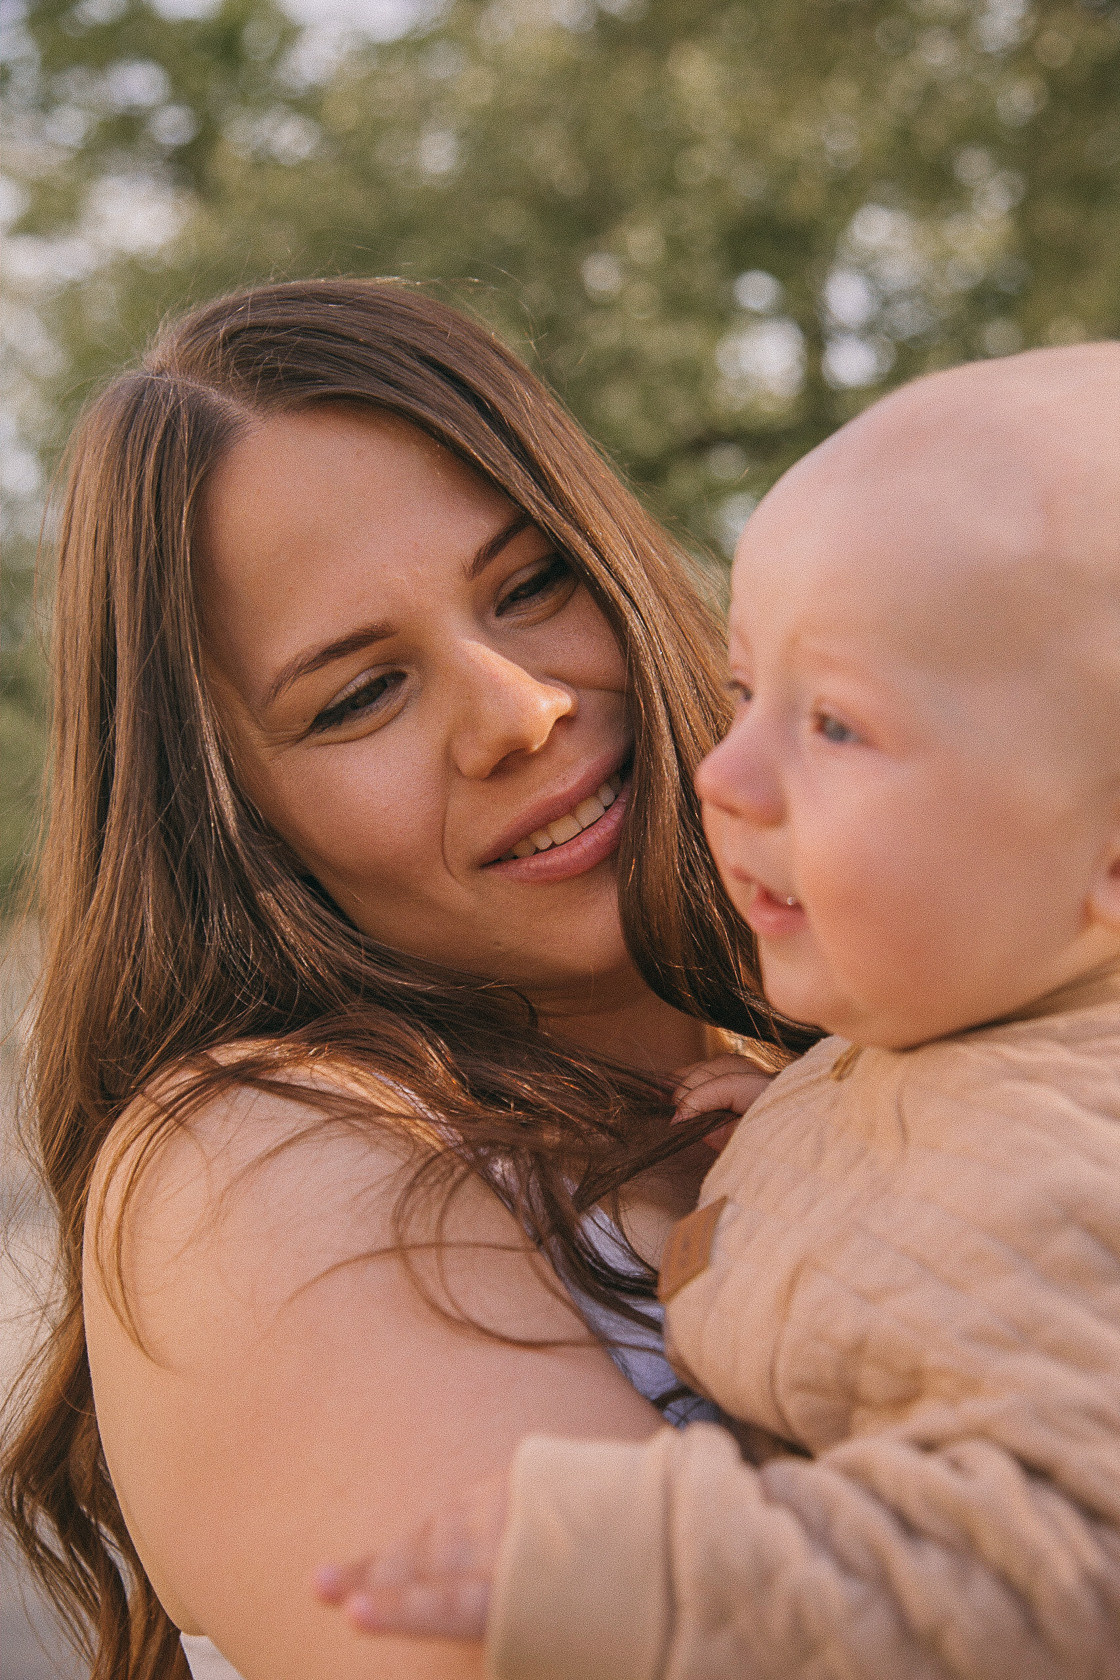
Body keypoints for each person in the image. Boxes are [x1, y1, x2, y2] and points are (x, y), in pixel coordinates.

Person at [0, 278, 807, 1680]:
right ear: (229, 813)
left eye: (532, 583)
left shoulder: (868, 1043)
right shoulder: (253, 1164)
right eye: (358, 694)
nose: (519, 711)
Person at [317, 345, 1120, 1679]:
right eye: (748, 697)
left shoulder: (1059, 1187)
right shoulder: (958, 1048)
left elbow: (1057, 1570)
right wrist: (812, 1116)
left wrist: (654, 1568)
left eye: (840, 727)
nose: (727, 771)